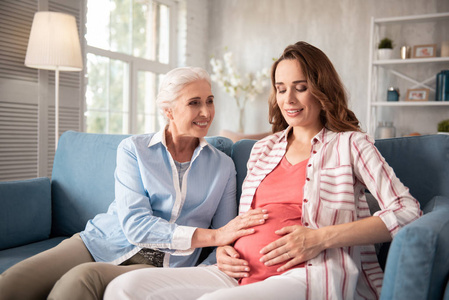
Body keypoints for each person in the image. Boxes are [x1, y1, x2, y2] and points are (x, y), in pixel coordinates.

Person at [103, 41, 422, 300]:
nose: (289, 99)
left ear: (321, 90)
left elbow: (407, 211)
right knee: (124, 288)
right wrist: (224, 249)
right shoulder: (262, 149)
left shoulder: (351, 145)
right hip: (236, 273)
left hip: (309, 272)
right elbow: (238, 224)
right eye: (281, 88)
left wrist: (319, 238)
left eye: (300, 87)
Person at [0, 67, 268, 300]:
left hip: (159, 263)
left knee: (78, 282)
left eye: (209, 101)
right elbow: (136, 225)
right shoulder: (134, 150)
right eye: (194, 103)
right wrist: (215, 236)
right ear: (168, 110)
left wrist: (216, 253)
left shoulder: (223, 166)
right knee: (13, 282)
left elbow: (226, 233)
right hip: (101, 240)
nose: (206, 112)